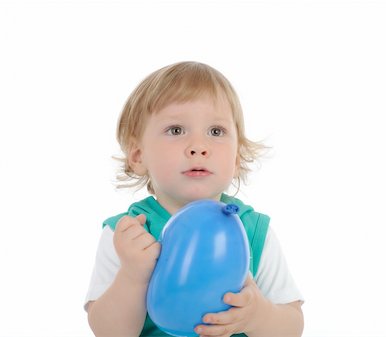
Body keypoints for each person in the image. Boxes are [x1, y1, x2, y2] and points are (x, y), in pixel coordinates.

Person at [85, 61, 304, 337]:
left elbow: (293, 326)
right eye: (176, 130)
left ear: (236, 158)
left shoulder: (253, 232)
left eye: (216, 132)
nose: (199, 147)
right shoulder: (128, 234)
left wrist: (258, 316)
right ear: (138, 155)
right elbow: (108, 332)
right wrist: (132, 276)